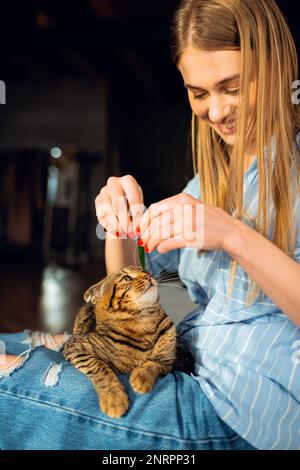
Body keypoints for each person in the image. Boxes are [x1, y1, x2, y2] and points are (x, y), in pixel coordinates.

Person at [0, 0, 299, 450]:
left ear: (275, 67)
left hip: (236, 416)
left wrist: (235, 237)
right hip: (178, 364)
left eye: (232, 87)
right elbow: (170, 303)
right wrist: (121, 229)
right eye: (199, 93)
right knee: (9, 345)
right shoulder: (208, 183)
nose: (216, 111)